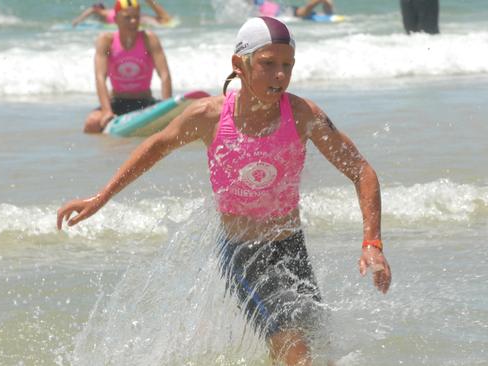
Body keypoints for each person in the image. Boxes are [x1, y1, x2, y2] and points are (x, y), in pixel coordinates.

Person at [57, 16, 391, 365]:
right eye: (268, 64)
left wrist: (373, 243)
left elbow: (362, 171)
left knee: (318, 349)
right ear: (239, 65)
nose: (280, 74)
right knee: (296, 351)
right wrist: (102, 197)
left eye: (287, 65)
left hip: (292, 250)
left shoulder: (303, 114)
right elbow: (156, 147)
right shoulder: (210, 116)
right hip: (244, 255)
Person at [83, 0, 172, 133]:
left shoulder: (149, 39)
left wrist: (167, 108)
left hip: (145, 102)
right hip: (117, 102)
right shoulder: (107, 41)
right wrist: (107, 111)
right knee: (91, 124)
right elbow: (100, 77)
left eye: (136, 17)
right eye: (127, 17)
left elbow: (164, 75)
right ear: (116, 18)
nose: (133, 21)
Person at [72, 0, 173, 28]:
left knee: (163, 20)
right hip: (126, 15)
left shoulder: (105, 13)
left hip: (122, 17)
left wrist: (78, 19)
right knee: (164, 20)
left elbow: (92, 10)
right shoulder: (108, 12)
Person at [251, 0, 334, 19]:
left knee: (303, 13)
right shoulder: (261, 2)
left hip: (285, 12)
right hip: (284, 10)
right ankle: (329, 12)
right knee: (308, 12)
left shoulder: (258, 3)